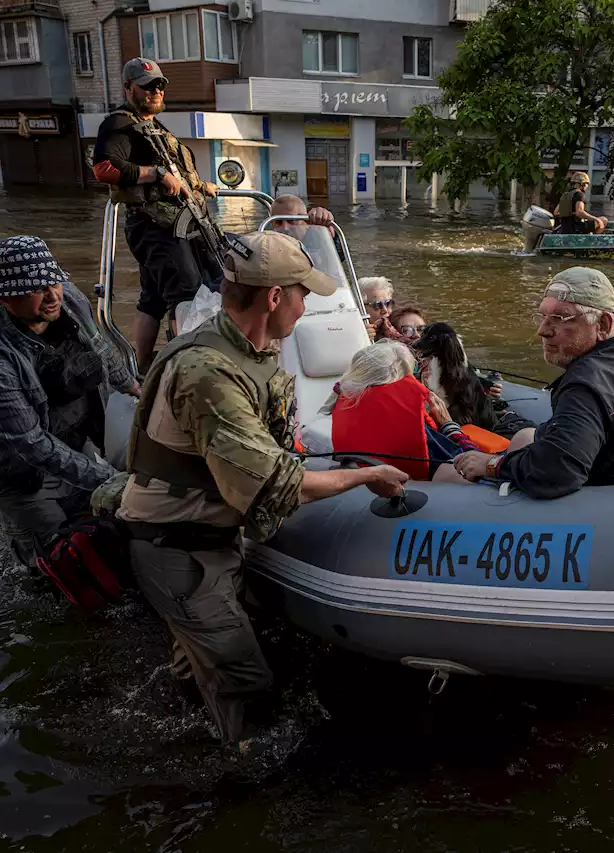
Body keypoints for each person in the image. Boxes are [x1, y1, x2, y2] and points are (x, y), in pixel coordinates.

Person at [117, 230, 409, 745]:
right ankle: (242, 784)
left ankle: (192, 729)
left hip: (206, 539)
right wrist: (367, 474)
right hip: (179, 546)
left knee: (195, 665)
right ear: (275, 297)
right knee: (246, 682)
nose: (306, 307)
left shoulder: (244, 349)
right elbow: (274, 486)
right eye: (303, 295)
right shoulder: (209, 372)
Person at [0, 236, 137, 568]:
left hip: (73, 436)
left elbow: (101, 348)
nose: (53, 295)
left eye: (54, 281)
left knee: (100, 531)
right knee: (53, 560)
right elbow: (31, 444)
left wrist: (133, 386)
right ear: (7, 298)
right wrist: (110, 481)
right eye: (38, 288)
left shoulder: (66, 298)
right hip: (18, 466)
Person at [452, 268, 614, 498]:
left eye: (560, 318)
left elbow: (557, 470)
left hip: (613, 508)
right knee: (524, 437)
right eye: (543, 316)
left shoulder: (586, 384)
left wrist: (491, 465)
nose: (543, 330)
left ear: (602, 324)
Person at [92, 58, 222, 375]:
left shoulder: (152, 126)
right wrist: (156, 174)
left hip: (176, 224)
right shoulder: (118, 124)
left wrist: (199, 185)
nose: (155, 91)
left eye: (160, 85)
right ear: (128, 88)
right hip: (155, 228)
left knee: (153, 299)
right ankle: (188, 373)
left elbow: (175, 171)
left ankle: (142, 365)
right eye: (147, 86)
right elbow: (104, 168)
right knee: (187, 294)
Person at [325, 341, 477, 482]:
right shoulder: (412, 427)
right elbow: (472, 465)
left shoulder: (344, 407)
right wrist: (447, 424)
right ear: (402, 379)